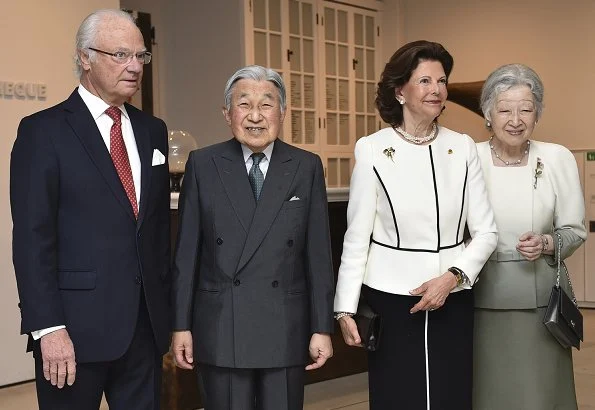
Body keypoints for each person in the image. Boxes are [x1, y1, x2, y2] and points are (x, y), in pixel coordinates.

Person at [10, 9, 171, 410]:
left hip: (144, 331)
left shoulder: (153, 130)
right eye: (121, 55)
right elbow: (32, 239)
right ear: (85, 57)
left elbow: (153, 232)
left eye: (140, 56)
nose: (134, 66)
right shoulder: (42, 132)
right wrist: (47, 329)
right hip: (72, 334)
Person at [333, 40, 498, 410]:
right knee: (398, 395)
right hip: (391, 298)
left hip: (453, 293)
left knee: (451, 394)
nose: (436, 90)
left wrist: (452, 277)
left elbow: (487, 232)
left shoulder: (463, 146)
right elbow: (357, 236)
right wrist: (344, 308)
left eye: (441, 81)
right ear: (399, 91)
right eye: (424, 81)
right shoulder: (372, 148)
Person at [170, 65, 335, 410]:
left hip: (286, 326)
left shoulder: (306, 166)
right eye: (244, 104)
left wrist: (322, 327)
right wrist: (181, 326)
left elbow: (318, 256)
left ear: (283, 112)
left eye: (267, 104)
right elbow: (187, 255)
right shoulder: (203, 164)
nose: (256, 116)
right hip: (221, 324)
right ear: (227, 113)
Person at [472, 64, 586, 410]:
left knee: (540, 394)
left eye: (526, 108)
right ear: (488, 113)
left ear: (537, 113)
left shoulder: (556, 158)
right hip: (480, 298)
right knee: (488, 392)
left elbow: (575, 230)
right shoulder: (468, 157)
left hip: (542, 303)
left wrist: (548, 243)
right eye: (505, 109)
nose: (515, 119)